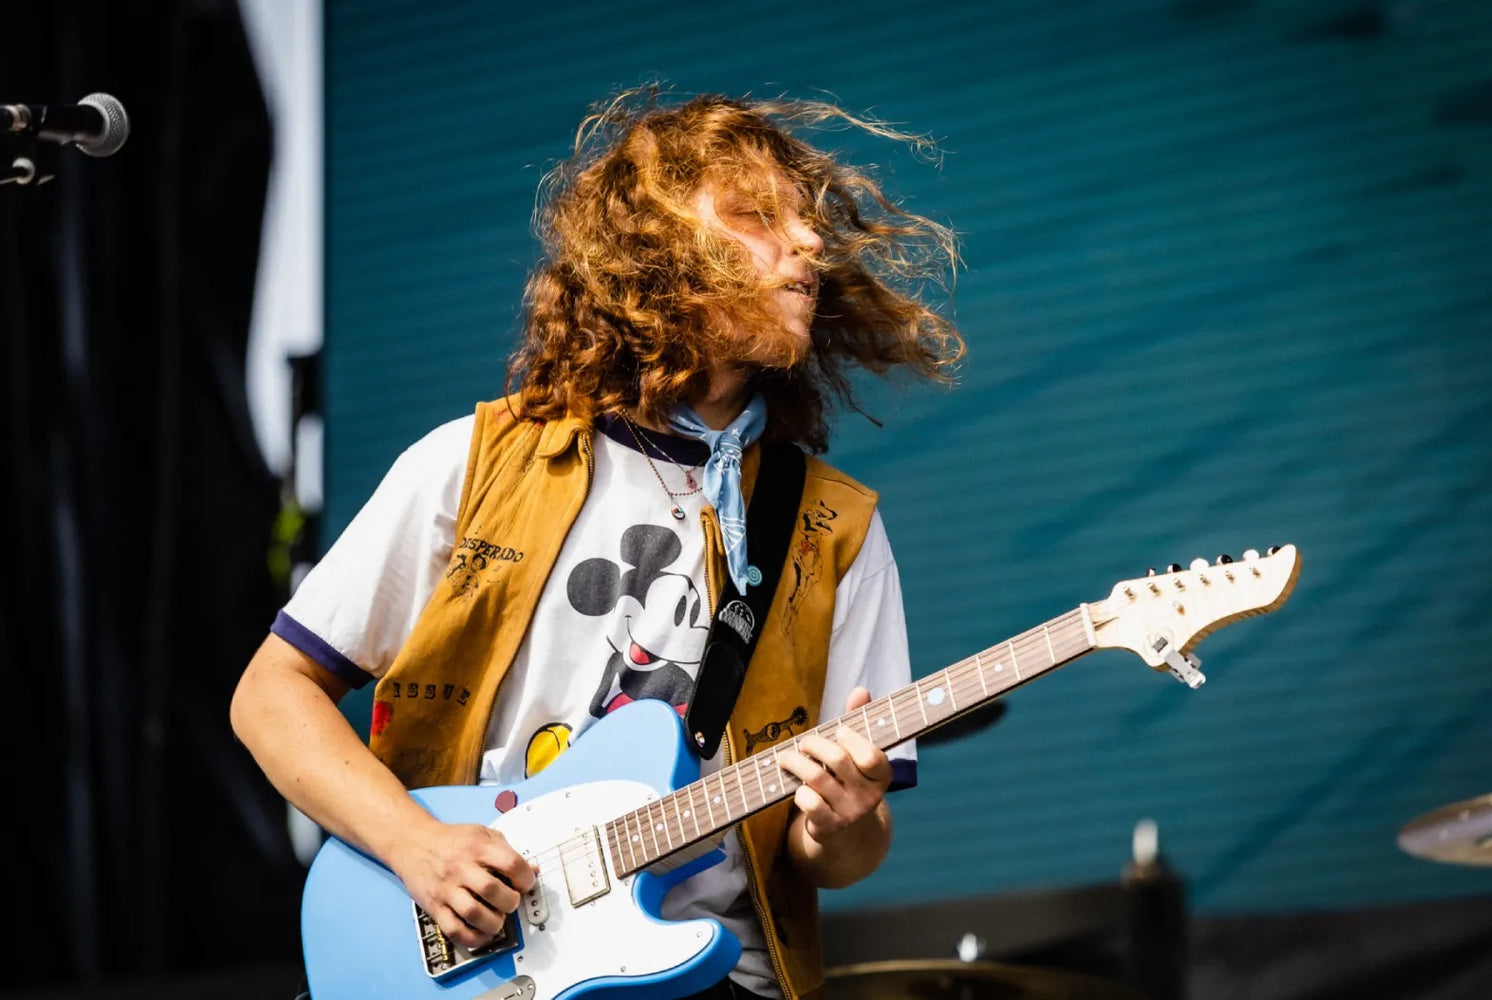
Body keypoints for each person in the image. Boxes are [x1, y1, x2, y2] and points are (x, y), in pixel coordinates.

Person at [230, 88, 964, 1000]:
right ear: (654, 256)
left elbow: (839, 856)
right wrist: (417, 848)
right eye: (756, 218)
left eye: (809, 224)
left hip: (709, 976)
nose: (810, 244)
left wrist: (842, 820)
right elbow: (271, 695)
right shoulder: (474, 463)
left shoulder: (834, 528)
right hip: (476, 953)